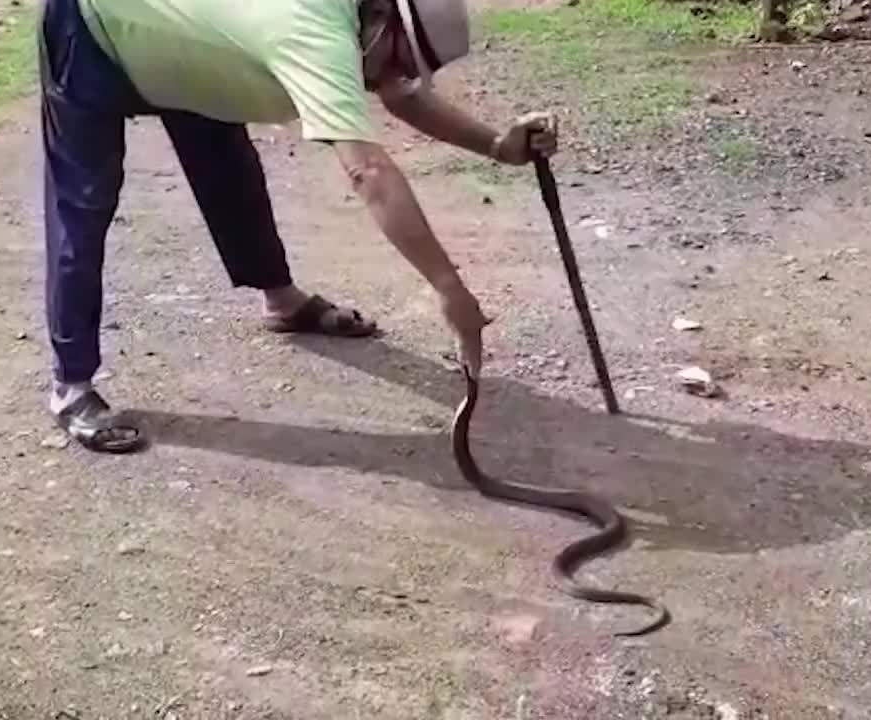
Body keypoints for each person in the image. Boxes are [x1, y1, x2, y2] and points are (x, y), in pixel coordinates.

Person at [38, 0, 559, 453]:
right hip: (94, 31)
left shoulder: (364, 24)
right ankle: (72, 386)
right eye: (397, 61)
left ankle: (281, 302)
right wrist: (448, 288)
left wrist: (498, 147)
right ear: (379, 18)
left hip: (183, 40)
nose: (388, 80)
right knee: (83, 205)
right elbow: (369, 172)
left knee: (230, 169)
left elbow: (400, 94)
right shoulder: (314, 31)